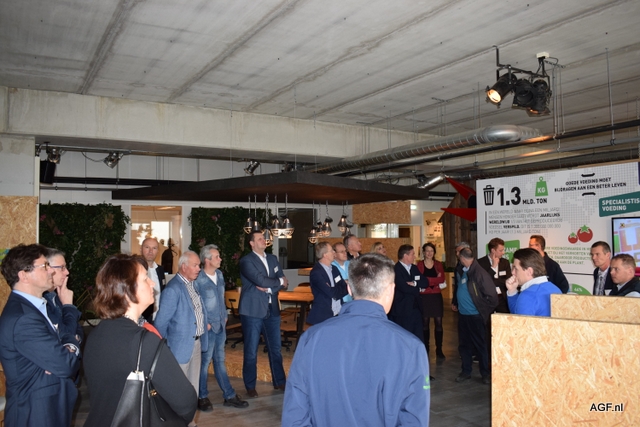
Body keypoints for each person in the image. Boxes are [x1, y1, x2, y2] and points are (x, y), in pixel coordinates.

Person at [282, 254, 430, 427]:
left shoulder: (311, 338)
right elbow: (413, 419)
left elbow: (295, 414)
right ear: (391, 290)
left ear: (349, 289)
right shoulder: (411, 347)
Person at [83, 254, 196, 427]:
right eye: (145, 279)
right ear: (127, 289)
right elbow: (186, 401)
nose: (152, 283)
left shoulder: (95, 335)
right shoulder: (145, 342)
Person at [0, 244, 81, 427]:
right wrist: (69, 345)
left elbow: (60, 351)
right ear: (24, 275)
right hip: (35, 413)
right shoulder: (23, 318)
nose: (50, 271)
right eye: (44, 266)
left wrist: (62, 349)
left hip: (47, 407)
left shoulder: (35, 308)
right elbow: (66, 365)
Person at [155, 251, 208, 427]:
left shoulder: (192, 285)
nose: (199, 268)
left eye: (199, 265)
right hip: (179, 348)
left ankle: (189, 422)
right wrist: (164, 348)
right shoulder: (173, 289)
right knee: (177, 392)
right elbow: (161, 323)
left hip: (195, 343)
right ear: (183, 267)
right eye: (195, 265)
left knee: (192, 390)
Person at [195, 244, 249, 411]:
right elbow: (196, 304)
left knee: (220, 360)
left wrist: (225, 316)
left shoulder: (219, 275)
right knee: (204, 363)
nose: (220, 259)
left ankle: (229, 395)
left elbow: (221, 297)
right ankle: (201, 397)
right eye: (217, 257)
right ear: (207, 260)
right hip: (208, 328)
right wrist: (204, 323)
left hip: (220, 326)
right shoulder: (198, 279)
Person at [238, 231, 288, 397]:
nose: (264, 240)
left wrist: (270, 288)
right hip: (252, 310)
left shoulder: (273, 259)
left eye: (264, 238)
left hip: (272, 308)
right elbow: (260, 280)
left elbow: (284, 280)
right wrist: (278, 282)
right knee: (251, 350)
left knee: (276, 348)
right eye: (259, 239)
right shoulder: (246, 261)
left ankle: (279, 382)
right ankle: (250, 386)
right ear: (252, 243)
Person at [452, 248, 498, 384]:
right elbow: (459, 288)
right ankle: (466, 371)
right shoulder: (462, 270)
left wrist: (483, 311)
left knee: (480, 346)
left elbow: (492, 297)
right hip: (463, 315)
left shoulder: (480, 273)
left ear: (462, 258)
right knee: (464, 345)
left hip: (475, 316)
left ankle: (485, 374)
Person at [45, 248, 84, 347]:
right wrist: (68, 306)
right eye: (62, 268)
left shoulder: (57, 295)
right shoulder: (42, 302)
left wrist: (76, 338)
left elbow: (77, 328)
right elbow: (67, 334)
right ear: (47, 269)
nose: (67, 272)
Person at [505, 248, 561, 316]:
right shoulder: (556, 289)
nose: (513, 272)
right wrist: (512, 291)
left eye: (516, 269)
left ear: (529, 271)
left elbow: (517, 321)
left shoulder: (528, 295)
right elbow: (518, 311)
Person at [388, 244, 426, 343]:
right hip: (403, 310)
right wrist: (419, 289)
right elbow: (403, 287)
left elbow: (425, 282)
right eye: (412, 254)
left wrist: (415, 284)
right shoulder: (396, 270)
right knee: (405, 337)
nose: (415, 256)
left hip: (416, 308)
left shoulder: (414, 268)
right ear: (405, 255)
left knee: (418, 336)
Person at [307, 241, 349, 325]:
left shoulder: (334, 269)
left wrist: (338, 288)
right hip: (324, 315)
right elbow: (330, 293)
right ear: (325, 255)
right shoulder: (316, 272)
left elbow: (344, 286)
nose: (334, 252)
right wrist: (339, 289)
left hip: (338, 312)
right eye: (331, 251)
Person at [417, 242, 446, 360]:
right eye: (427, 251)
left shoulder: (438, 264)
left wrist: (427, 281)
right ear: (423, 252)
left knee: (439, 323)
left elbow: (442, 279)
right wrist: (434, 280)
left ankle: (439, 349)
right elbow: (420, 280)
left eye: (431, 251)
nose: (429, 253)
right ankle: (426, 347)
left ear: (434, 252)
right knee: (425, 323)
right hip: (424, 297)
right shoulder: (419, 265)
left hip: (436, 296)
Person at [477, 237, 511, 313]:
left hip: (502, 298)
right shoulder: (480, 263)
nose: (503, 253)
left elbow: (508, 280)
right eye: (500, 250)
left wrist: (492, 282)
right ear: (493, 250)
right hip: (487, 299)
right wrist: (493, 267)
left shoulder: (505, 262)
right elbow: (483, 281)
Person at [140, 237, 166, 323]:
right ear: (141, 249)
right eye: (147, 247)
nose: (150, 251)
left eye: (154, 248)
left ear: (158, 251)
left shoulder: (160, 270)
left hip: (158, 319)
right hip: (141, 320)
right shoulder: (135, 270)